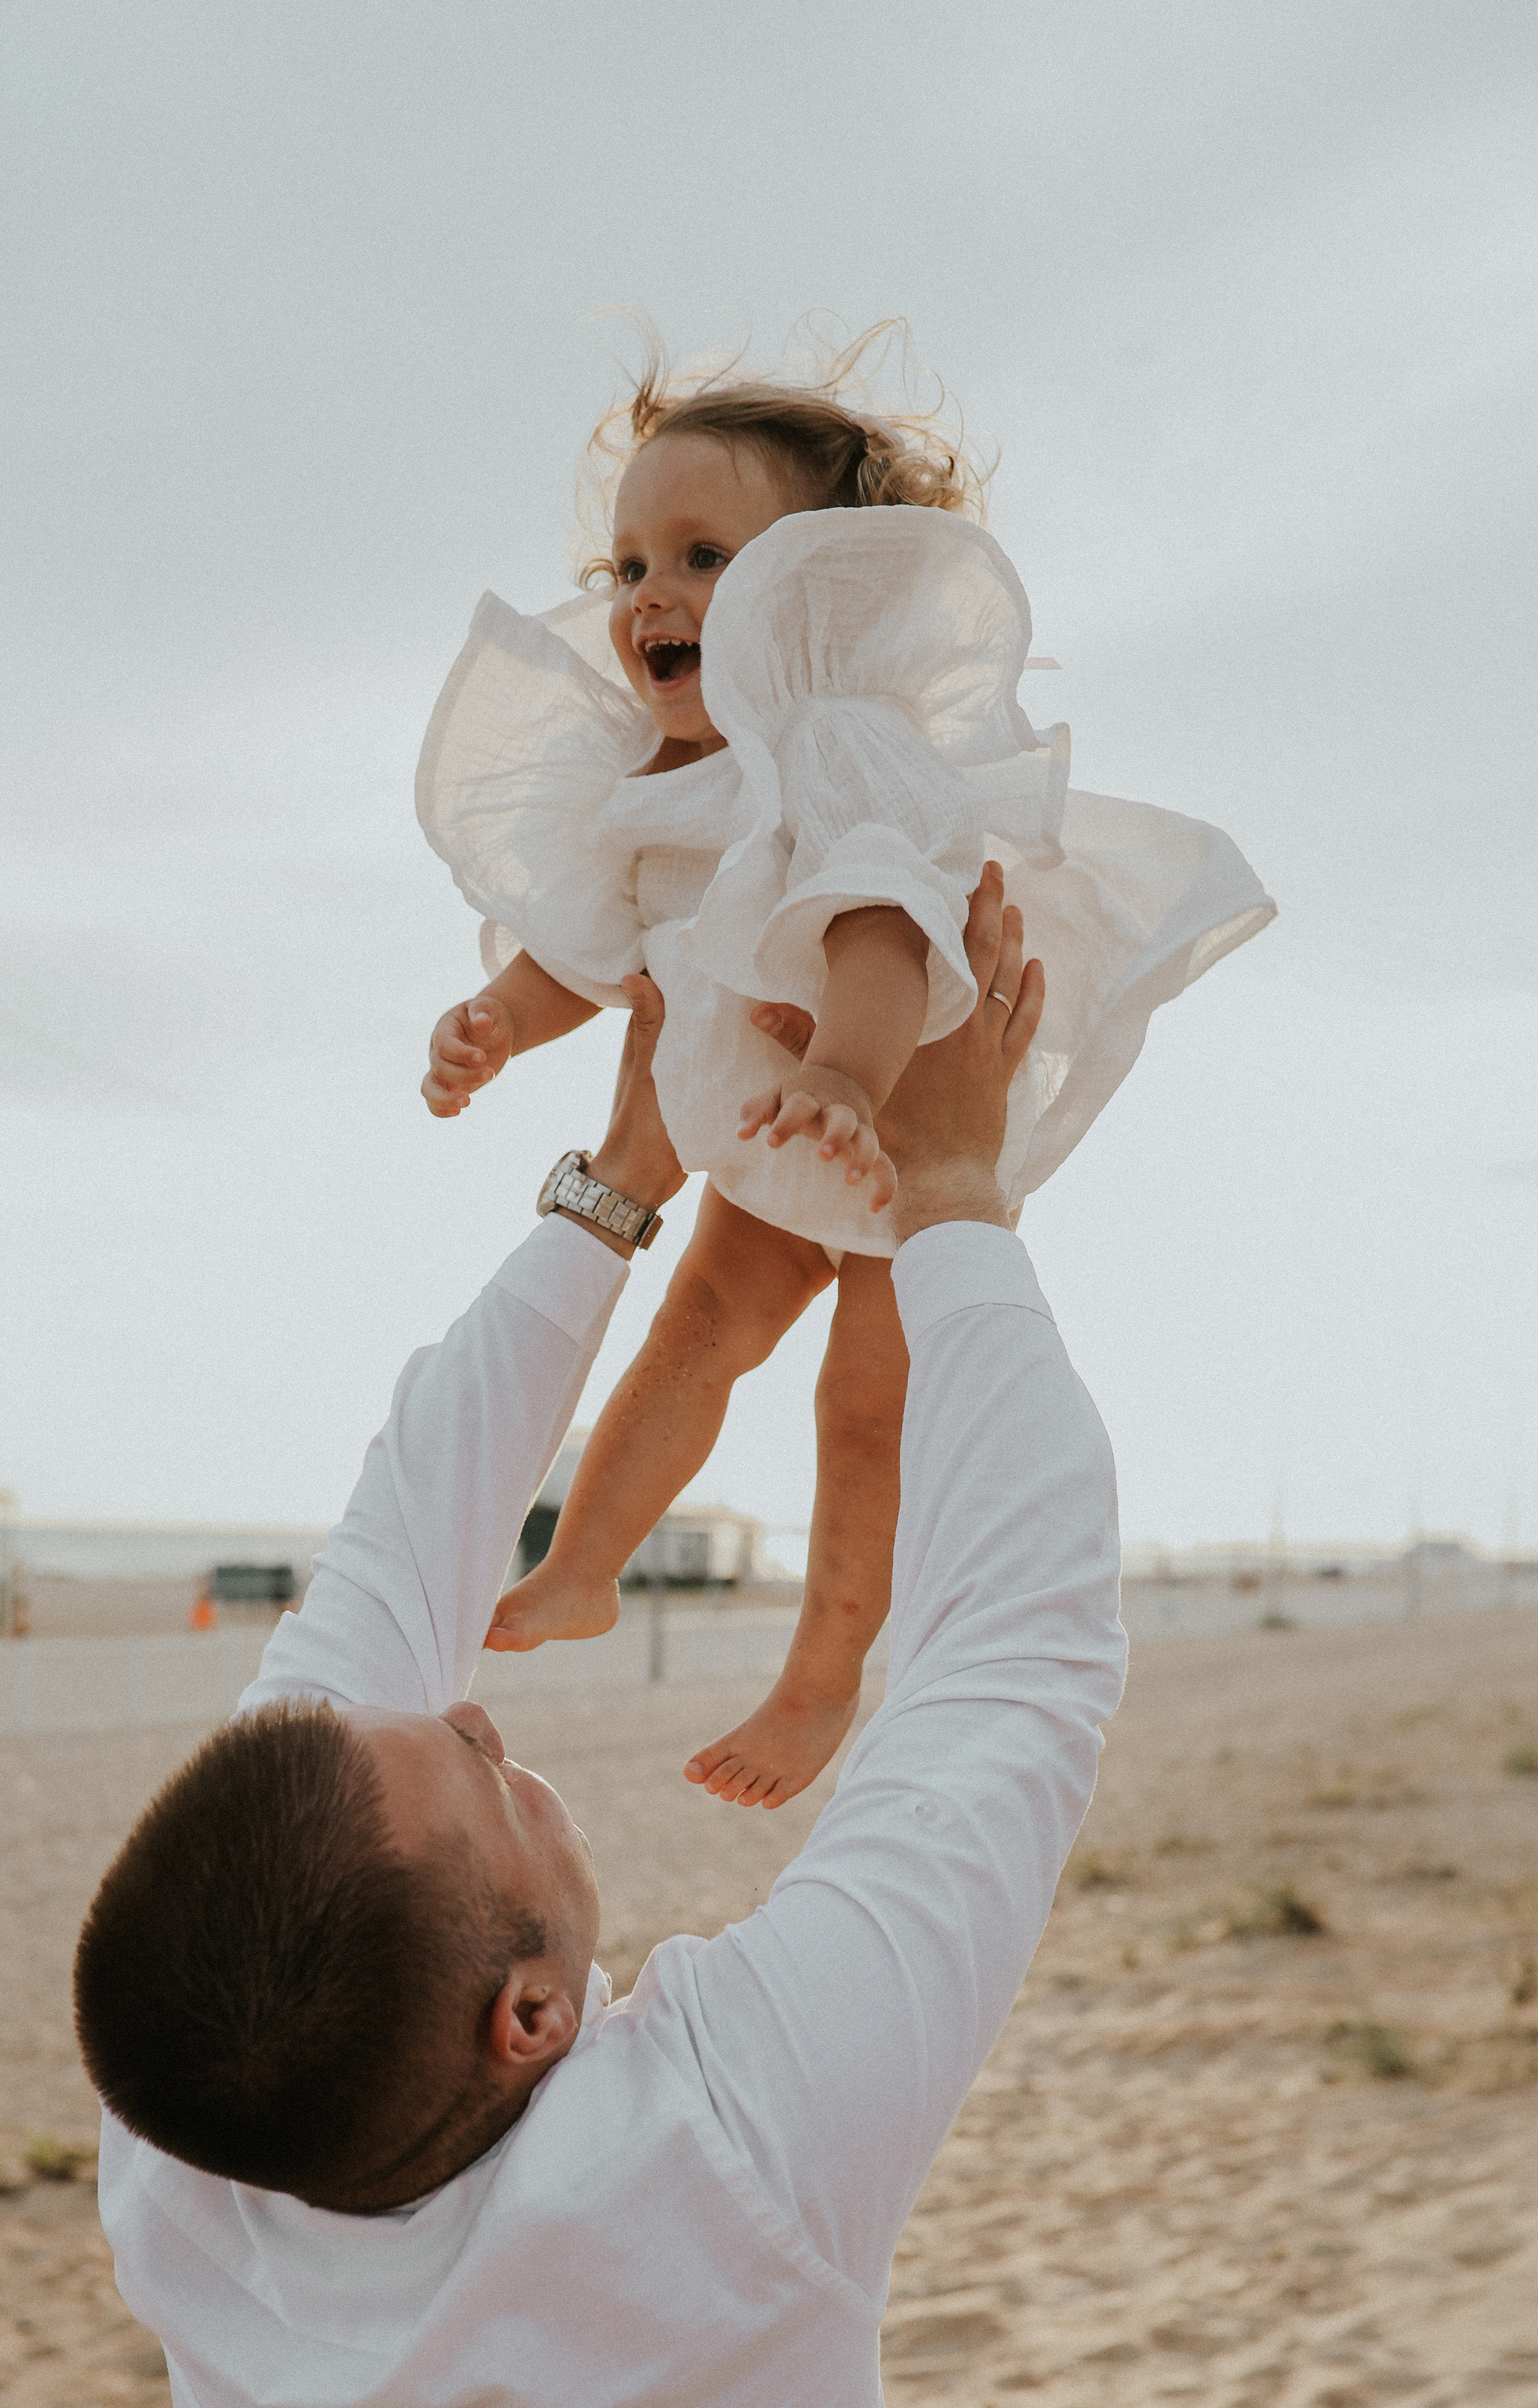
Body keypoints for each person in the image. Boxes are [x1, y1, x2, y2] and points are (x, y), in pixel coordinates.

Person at [74, 870, 1130, 2408]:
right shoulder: (738, 2156)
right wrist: (960, 1192)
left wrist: (618, 1181)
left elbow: (407, 1531)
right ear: (529, 2020)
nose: (472, 1712)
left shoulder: (198, 2143)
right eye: (476, 1779)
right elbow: (1020, 1656)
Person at [418, 328, 1269, 1809]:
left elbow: (882, 930)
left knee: (859, 1412)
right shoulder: (649, 782)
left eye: (702, 558)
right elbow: (584, 941)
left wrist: (848, 1084)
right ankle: (584, 1568)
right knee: (694, 1328)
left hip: (891, 1120)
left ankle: (818, 1683)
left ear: (823, 594)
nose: (652, 600)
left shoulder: (846, 748)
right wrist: (497, 1014)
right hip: (766, 1124)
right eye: (630, 570)